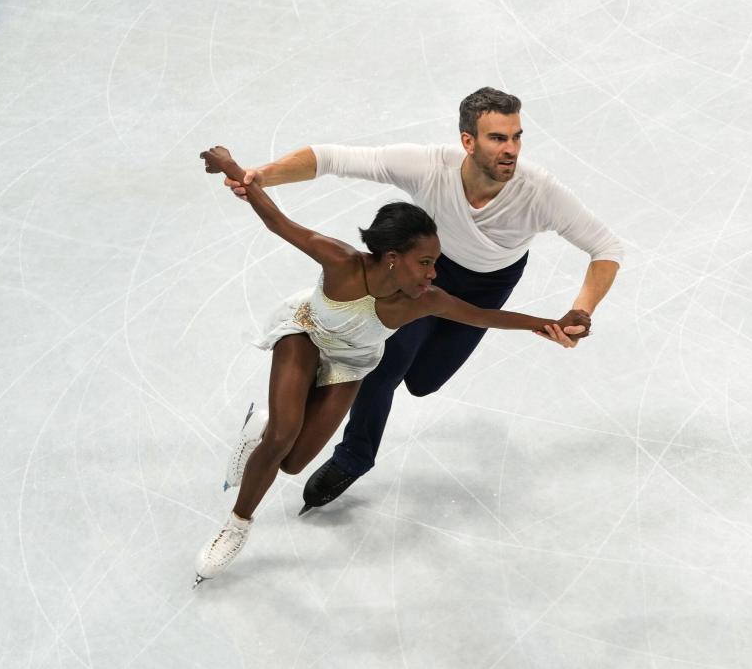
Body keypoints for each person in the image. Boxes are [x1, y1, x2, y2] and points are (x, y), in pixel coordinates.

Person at [193, 146, 589, 586]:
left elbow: (484, 317)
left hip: (352, 364)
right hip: (305, 333)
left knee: (292, 463)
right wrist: (233, 167)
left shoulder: (425, 301)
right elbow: (277, 220)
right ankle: (236, 525)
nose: (434, 273)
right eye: (426, 262)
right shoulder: (339, 261)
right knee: (284, 436)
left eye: (435, 262)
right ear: (393, 257)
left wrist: (551, 323)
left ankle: (259, 427)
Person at [219, 87, 624, 515]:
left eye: (516, 137)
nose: (511, 149)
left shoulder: (539, 192)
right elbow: (331, 158)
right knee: (383, 368)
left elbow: (606, 247)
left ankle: (291, 416)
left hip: (490, 285)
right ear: (467, 141)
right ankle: (352, 455)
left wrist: (582, 309)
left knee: (424, 381)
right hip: (426, 275)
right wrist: (262, 175)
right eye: (497, 138)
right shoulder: (430, 166)